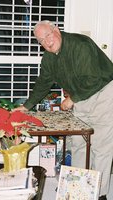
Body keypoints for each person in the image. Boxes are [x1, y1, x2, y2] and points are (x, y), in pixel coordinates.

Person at [14, 20, 113, 200]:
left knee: (101, 148)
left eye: (48, 35)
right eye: (41, 41)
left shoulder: (80, 44)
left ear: (56, 30)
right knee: (78, 144)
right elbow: (43, 82)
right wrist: (27, 106)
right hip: (81, 98)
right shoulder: (49, 57)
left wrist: (72, 99)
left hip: (104, 94)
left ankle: (101, 194)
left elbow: (93, 79)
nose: (47, 42)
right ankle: (78, 189)